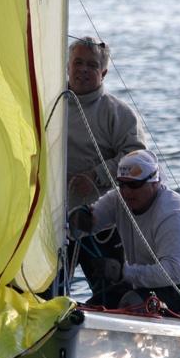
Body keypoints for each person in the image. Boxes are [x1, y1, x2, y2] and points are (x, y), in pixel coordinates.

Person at [70, 150, 180, 316]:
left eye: (134, 185)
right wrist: (78, 218)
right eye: (122, 184)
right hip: (150, 283)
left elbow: (174, 273)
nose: (127, 192)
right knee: (91, 308)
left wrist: (122, 272)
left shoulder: (172, 212)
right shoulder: (118, 200)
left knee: (132, 302)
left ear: (154, 183)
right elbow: (91, 221)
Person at [64, 36, 146, 297]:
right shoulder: (48, 105)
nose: (84, 70)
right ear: (67, 66)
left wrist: (96, 176)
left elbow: (136, 160)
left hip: (101, 223)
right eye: (78, 63)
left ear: (104, 72)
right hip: (53, 221)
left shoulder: (118, 114)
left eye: (91, 65)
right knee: (40, 294)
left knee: (116, 293)